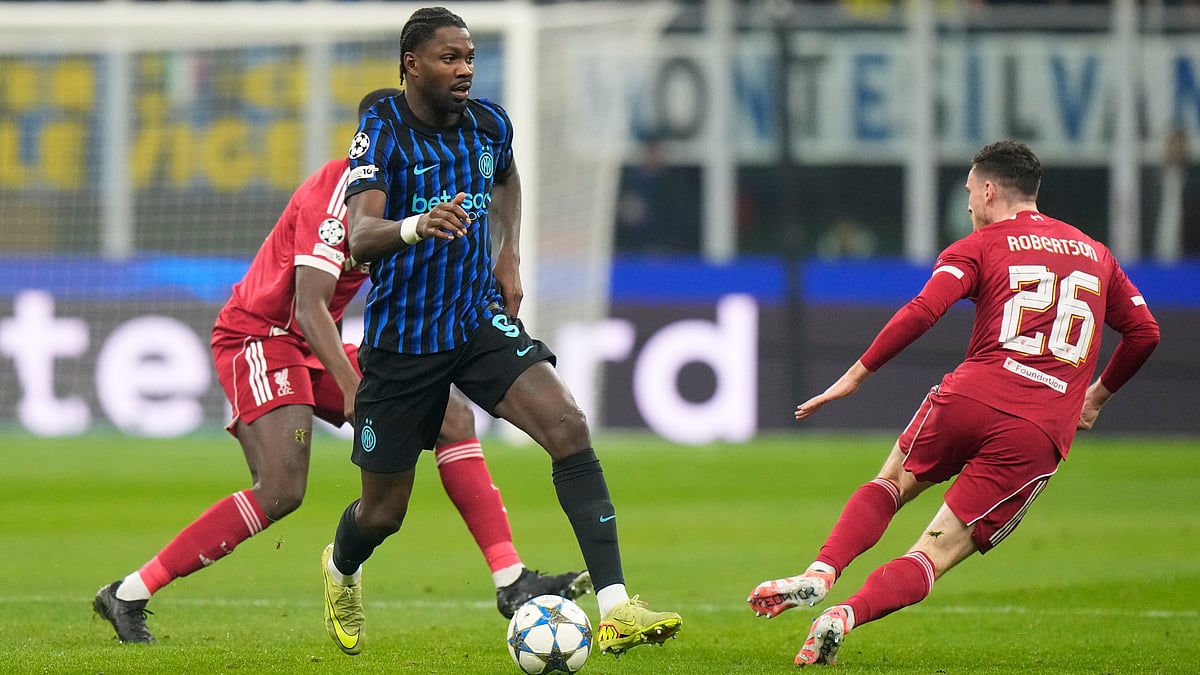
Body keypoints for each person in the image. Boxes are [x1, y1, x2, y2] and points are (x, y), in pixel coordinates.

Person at [92, 88, 591, 645]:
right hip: (262, 335)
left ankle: (511, 580)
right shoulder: (337, 194)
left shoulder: (413, 185)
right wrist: (355, 388)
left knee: (452, 417)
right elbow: (308, 305)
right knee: (282, 488)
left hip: (316, 338)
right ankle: (129, 592)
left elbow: (489, 196)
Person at [319, 6, 682, 659]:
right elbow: (360, 234)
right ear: (411, 63)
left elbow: (507, 177)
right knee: (383, 511)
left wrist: (508, 252)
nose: (463, 70)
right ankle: (342, 567)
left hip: (473, 318)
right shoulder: (383, 134)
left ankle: (617, 606)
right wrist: (416, 225)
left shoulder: (488, 123)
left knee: (567, 425)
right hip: (405, 341)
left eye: (469, 58)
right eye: (448, 58)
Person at [747, 140, 1160, 666]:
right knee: (932, 554)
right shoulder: (1096, 254)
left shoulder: (983, 245)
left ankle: (820, 573)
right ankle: (845, 615)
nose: (968, 204)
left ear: (989, 190)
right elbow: (1144, 332)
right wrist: (1096, 398)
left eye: (969, 192)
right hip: (1038, 429)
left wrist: (855, 376)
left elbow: (924, 309)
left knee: (890, 484)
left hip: (972, 395)